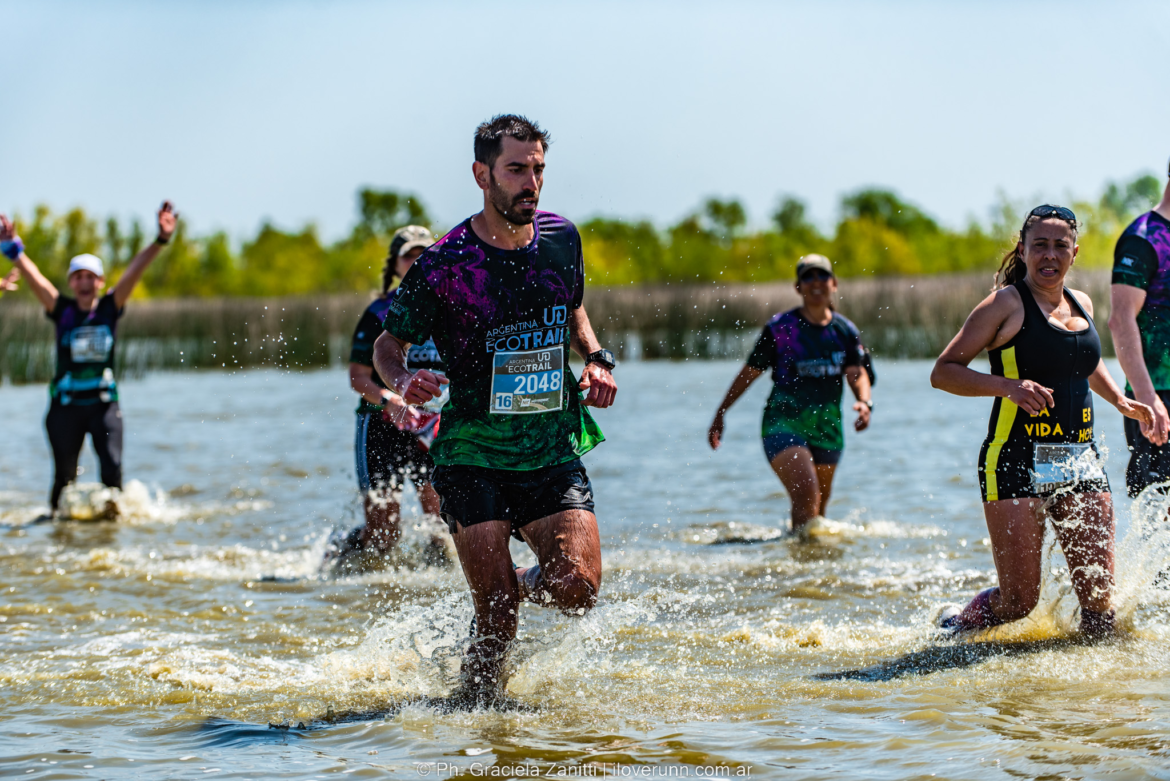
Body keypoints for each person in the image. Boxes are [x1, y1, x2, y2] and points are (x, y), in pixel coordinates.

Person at [372, 114, 617, 705]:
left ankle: (524, 579)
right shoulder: (445, 263)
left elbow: (575, 306)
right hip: (473, 454)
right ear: (482, 174)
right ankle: (476, 718)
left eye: (537, 169)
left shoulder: (563, 238)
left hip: (552, 446)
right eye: (515, 169)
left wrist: (597, 357)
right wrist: (403, 380)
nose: (530, 183)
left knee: (577, 589)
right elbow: (387, 345)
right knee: (497, 612)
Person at [931, 204, 1154, 639]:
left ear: (1074, 252)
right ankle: (953, 625)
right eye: (1040, 246)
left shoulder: (1082, 302)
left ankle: (1087, 697)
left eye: (1060, 246)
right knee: (1019, 602)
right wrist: (1008, 387)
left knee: (1100, 604)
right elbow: (943, 371)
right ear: (1023, 248)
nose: (1049, 255)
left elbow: (1086, 364)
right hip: (1014, 457)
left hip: (1079, 458)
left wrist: (1123, 402)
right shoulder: (1004, 304)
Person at [0, 202, 177, 517]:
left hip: (103, 406)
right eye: (78, 276)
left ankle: (111, 536)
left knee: (112, 473)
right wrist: (13, 249)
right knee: (64, 481)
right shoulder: (61, 310)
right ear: (71, 282)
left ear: (100, 281)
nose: (84, 282)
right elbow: (35, 277)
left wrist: (160, 240)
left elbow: (135, 270)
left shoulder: (110, 307)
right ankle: (60, 535)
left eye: (90, 276)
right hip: (65, 407)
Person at [707, 254, 872, 533]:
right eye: (808, 276)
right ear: (798, 287)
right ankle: (800, 569)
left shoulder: (845, 331)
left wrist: (864, 402)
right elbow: (749, 373)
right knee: (807, 494)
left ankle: (808, 567)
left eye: (822, 276)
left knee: (818, 511)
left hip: (828, 427)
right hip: (783, 423)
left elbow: (857, 373)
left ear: (834, 284)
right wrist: (721, 412)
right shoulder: (780, 329)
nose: (816, 282)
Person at [323, 225, 449, 571]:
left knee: (442, 526)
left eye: (426, 253)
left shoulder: (450, 306)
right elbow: (357, 376)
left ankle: (437, 583)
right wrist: (389, 399)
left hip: (434, 428)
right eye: (410, 255)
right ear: (394, 264)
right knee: (384, 536)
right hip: (382, 425)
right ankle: (339, 558)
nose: (419, 260)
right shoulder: (378, 312)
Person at [1108, 161, 1170, 497]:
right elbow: (1120, 320)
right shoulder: (1143, 239)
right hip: (1160, 396)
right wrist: (1148, 400)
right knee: (1159, 519)